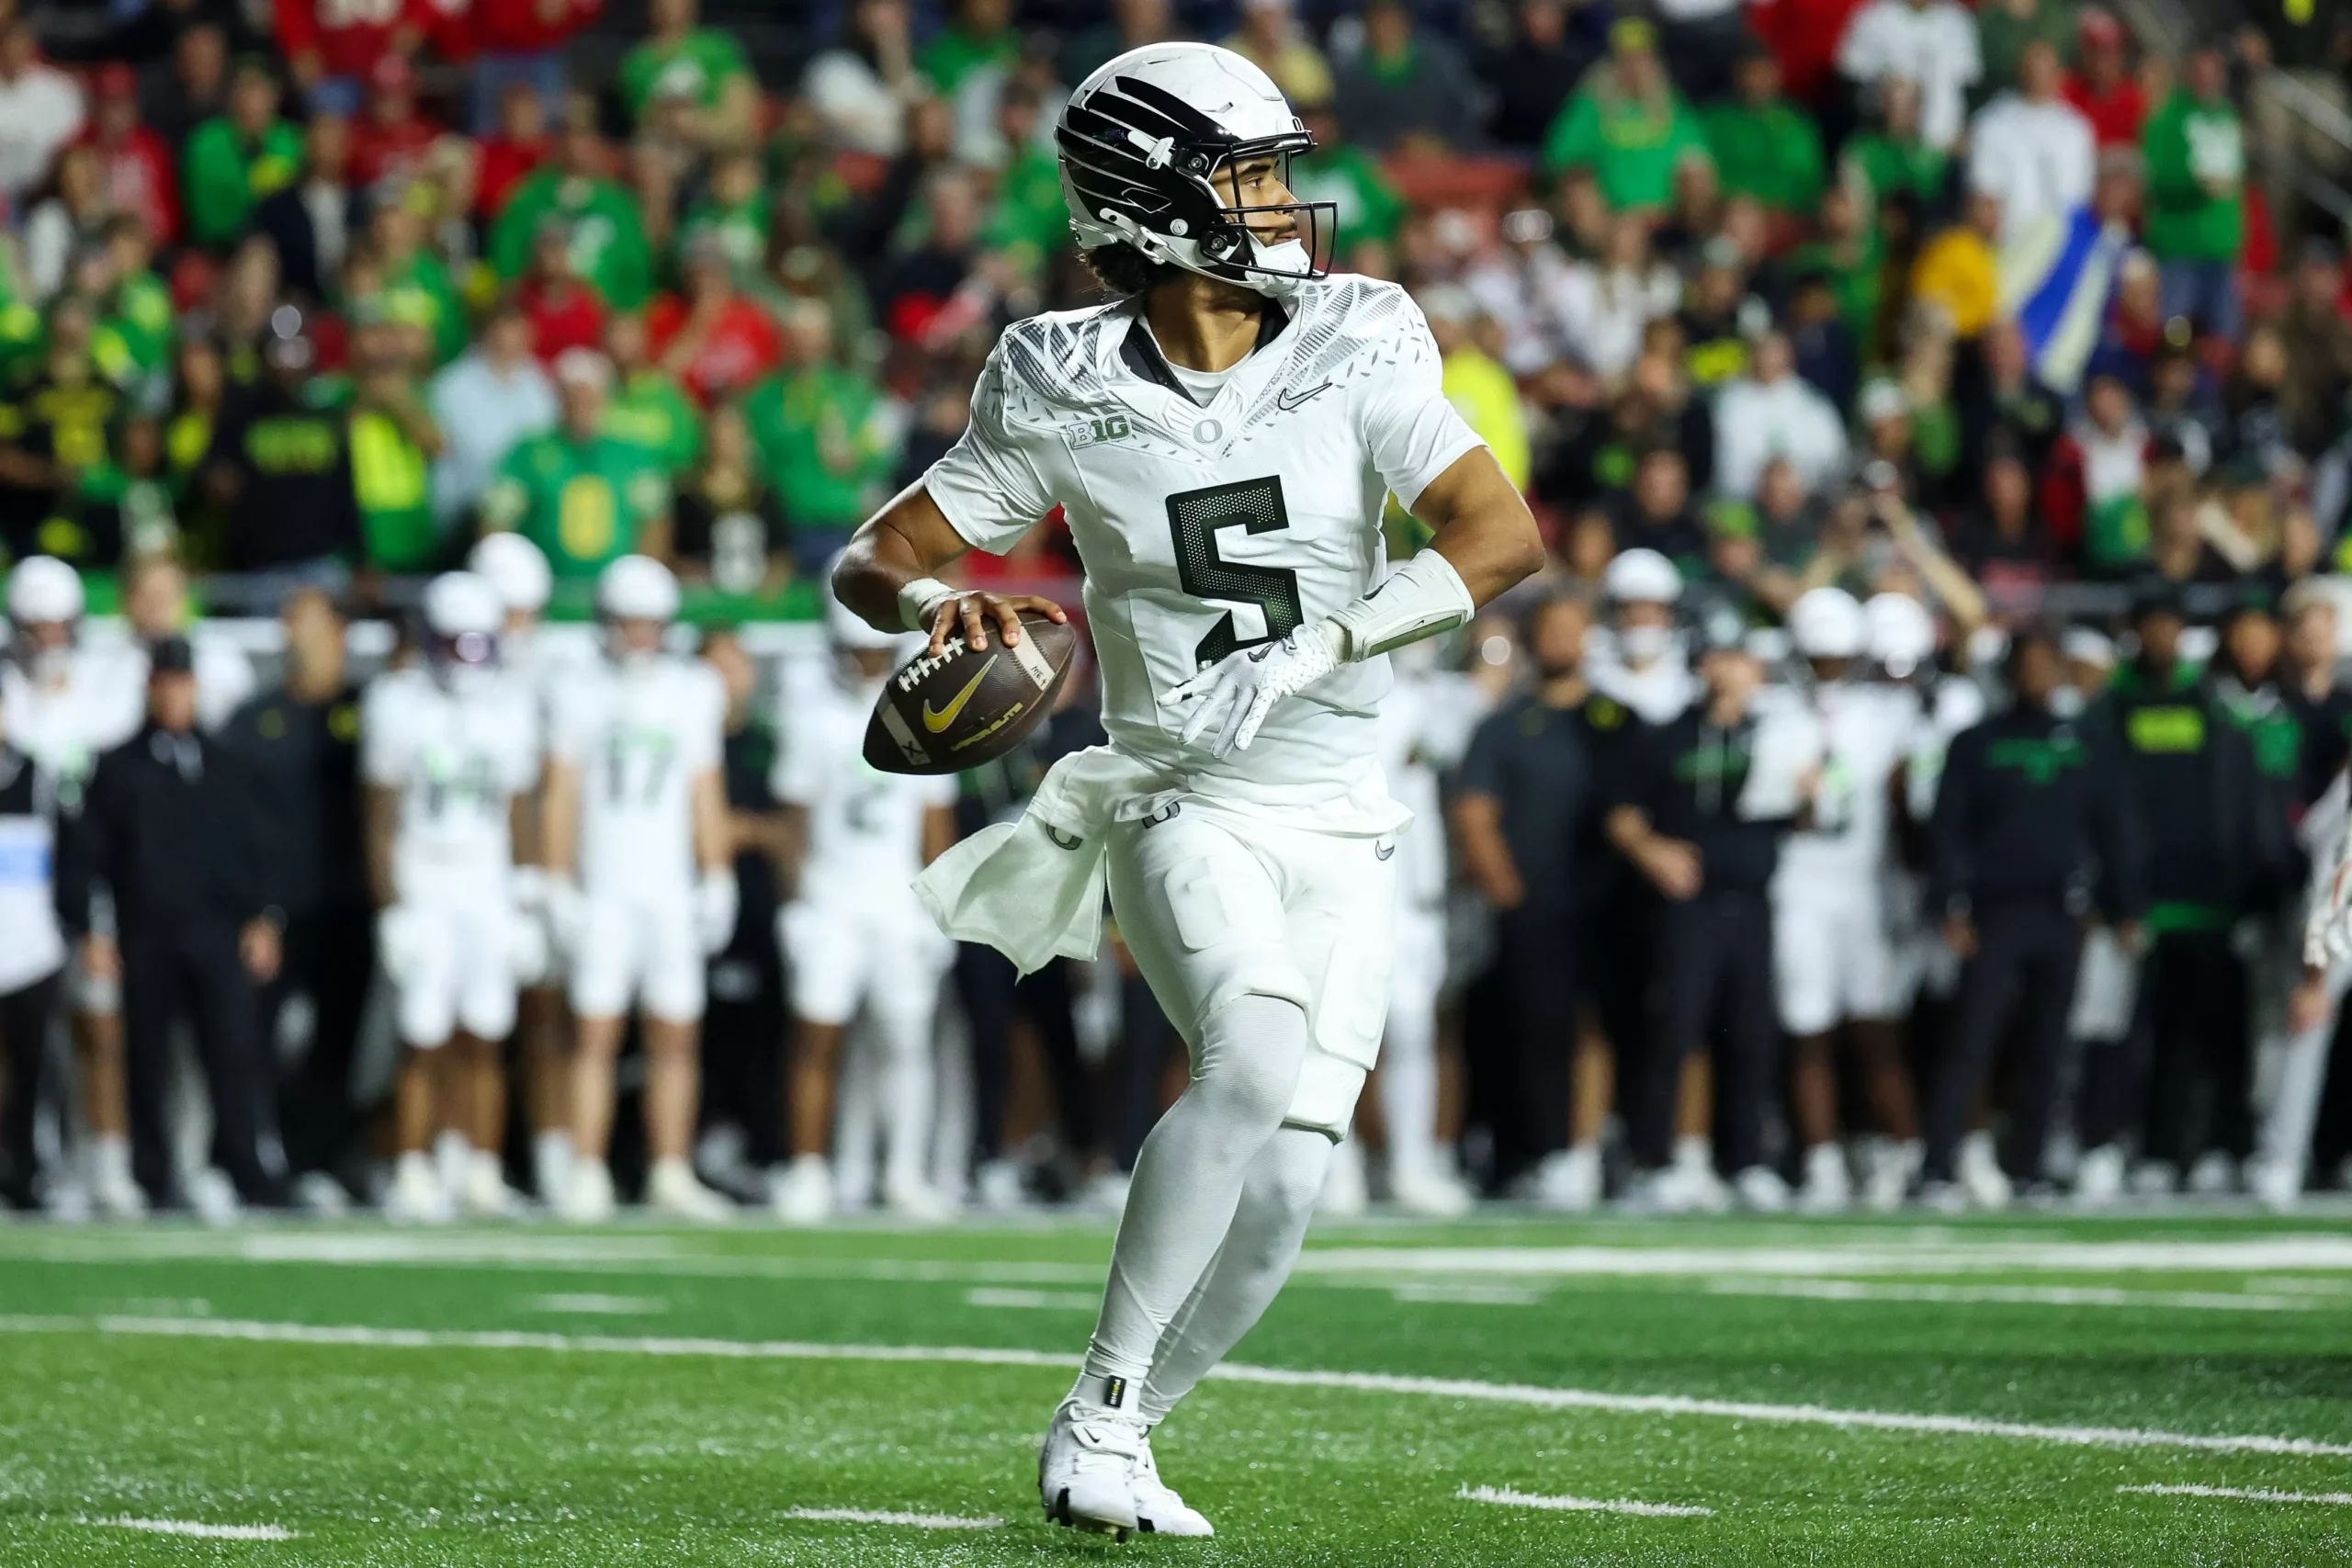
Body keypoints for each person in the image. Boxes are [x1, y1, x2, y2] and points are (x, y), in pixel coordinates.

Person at [830, 42, 1543, 1539]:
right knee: (1254, 1049)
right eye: (1250, 174)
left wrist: (1321, 644)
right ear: (1150, 202)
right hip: (1178, 794)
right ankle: (1098, 1406)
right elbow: (874, 558)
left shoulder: (1359, 331)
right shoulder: (1056, 374)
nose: (1281, 203)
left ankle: (1123, 1426)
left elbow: (1499, 533)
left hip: (1342, 816)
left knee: (1284, 1193)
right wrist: (935, 607)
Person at [541, 556, 736, 1221]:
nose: (640, 635)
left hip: (668, 887)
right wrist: (556, 878)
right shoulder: (578, 687)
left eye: (650, 623)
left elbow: (704, 788)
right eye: (629, 622)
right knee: (594, 1033)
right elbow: (562, 791)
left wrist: (716, 873)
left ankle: (670, 1169)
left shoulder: (693, 688)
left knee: (676, 1035)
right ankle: (586, 1169)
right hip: (605, 887)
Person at [1605, 619, 1823, 1213]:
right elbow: (1621, 813)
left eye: (1740, 658)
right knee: (1675, 1031)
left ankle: (1746, 1160)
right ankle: (1656, 1161)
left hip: (1752, 900)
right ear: (1701, 665)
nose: (1730, 670)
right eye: (1719, 657)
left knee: (1752, 1034)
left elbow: (1810, 816)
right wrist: (1654, 852)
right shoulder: (1667, 735)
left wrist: (1814, 793)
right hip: (1688, 907)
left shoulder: (1776, 735)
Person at [2076, 583, 2282, 1201]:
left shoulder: (2213, 707)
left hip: (2211, 905)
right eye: (2152, 625)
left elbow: (2241, 804)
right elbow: (2099, 808)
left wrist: (2248, 893)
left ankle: (2222, 1145)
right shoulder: (2110, 710)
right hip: (2138, 907)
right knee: (2136, 1039)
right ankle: (2146, 1148)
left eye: (2171, 625)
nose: (2162, 637)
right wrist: (2114, 892)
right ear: (2134, 631)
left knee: (2218, 1037)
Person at [64, 636, 284, 1214]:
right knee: (147, 1060)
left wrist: (264, 917)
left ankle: (244, 1168)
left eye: (182, 685)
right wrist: (94, 928)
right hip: (147, 934)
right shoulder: (117, 767)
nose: (173, 696)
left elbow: (257, 851)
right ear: (150, 689)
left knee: (232, 1055)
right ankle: (153, 1175)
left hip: (216, 931)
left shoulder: (227, 765)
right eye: (164, 685)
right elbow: (90, 855)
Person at [1928, 626, 2143, 1203]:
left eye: (2047, 665)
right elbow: (1950, 829)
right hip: (1994, 910)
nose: (2037, 676)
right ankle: (1938, 1163)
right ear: (2008, 674)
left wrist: (2125, 905)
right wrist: (1950, 903)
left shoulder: (2087, 742)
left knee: (2050, 1045)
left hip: (2062, 910)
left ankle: (2030, 1165)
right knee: (1971, 1039)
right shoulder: (1976, 742)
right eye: (2027, 665)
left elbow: (2112, 826)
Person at [770, 594, 959, 1223]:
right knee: (815, 1038)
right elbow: (794, 822)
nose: (867, 663)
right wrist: (794, 904)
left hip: (898, 901)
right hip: (830, 898)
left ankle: (904, 1172)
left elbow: (935, 822)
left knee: (906, 1040)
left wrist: (939, 909)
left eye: (876, 652)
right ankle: (807, 1169)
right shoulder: (812, 716)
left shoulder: (927, 712)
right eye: (857, 651)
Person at [363, 571, 541, 1222]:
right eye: (454, 644)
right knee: (423, 1035)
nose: (467, 659)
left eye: (477, 644)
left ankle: (480, 1168)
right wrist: (391, 907)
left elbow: (519, 807)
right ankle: (412, 1165)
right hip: (425, 880)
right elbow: (379, 815)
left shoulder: (512, 706)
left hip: (486, 883)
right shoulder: (397, 702)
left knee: (487, 1033)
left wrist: (528, 894)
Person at [218, 588, 371, 1212]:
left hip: (349, 907)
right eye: (290, 621)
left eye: (309, 620)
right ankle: (252, 1159)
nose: (296, 633)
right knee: (255, 1041)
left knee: (339, 1044)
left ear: (339, 631)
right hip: (277, 910)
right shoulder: (256, 720)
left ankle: (322, 1159)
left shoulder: (368, 710)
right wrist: (252, 908)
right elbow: (231, 823)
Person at [1453, 595, 1609, 1209]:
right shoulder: (1505, 724)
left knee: (1597, 1027)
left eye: (1574, 627)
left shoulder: (1614, 720)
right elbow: (1474, 812)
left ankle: (1585, 1151)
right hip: (1534, 905)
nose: (1563, 640)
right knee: (1532, 1032)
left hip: (1603, 904)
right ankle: (1537, 1151)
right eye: (1552, 629)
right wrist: (1509, 893)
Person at [1771, 588, 1924, 1212]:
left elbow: (1906, 807)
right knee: (1808, 1029)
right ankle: (1822, 1160)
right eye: (1819, 660)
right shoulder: (1778, 714)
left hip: (1864, 889)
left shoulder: (1885, 717)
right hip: (1799, 887)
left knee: (1874, 1028)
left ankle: (1903, 1150)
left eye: (1837, 659)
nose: (1828, 672)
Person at [1, 558, 143, 1217]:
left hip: (88, 870)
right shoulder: (9, 685)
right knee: (27, 1041)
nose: (51, 639)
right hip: (22, 883)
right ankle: (37, 1161)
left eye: (60, 625)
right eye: (38, 626)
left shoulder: (103, 684)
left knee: (97, 1022)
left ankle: (106, 1161)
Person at [465, 529, 577, 1203]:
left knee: (547, 1017)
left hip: (533, 864)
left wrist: (545, 876)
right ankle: (441, 1154)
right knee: (447, 1027)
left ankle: (554, 1153)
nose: (520, 628)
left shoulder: (555, 669)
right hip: (464, 870)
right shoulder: (439, 669)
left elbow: (552, 786)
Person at [479, 347, 673, 578]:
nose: (582, 407)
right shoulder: (529, 452)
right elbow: (496, 521)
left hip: (616, 588)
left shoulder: (634, 456)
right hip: (545, 586)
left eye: (590, 398)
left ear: (605, 399)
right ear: (559, 399)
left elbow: (654, 523)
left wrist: (642, 578)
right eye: (573, 398)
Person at [0, 682, 72, 1211]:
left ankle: (28, 1171)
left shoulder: (36, 776)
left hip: (29, 949)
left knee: (32, 1070)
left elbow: (68, 856)